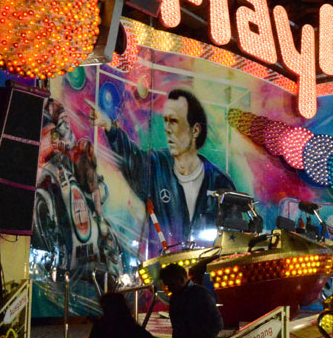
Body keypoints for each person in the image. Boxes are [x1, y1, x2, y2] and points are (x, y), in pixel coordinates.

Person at [89, 87, 235, 252]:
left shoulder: (221, 184)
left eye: (174, 121)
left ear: (195, 130)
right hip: (165, 266)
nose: (167, 128)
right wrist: (109, 127)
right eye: (166, 121)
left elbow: (233, 241)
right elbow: (131, 159)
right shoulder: (156, 166)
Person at [159, 263, 223, 338]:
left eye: (170, 284)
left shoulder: (201, 294)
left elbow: (217, 323)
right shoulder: (175, 297)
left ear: (181, 279)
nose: (169, 288)